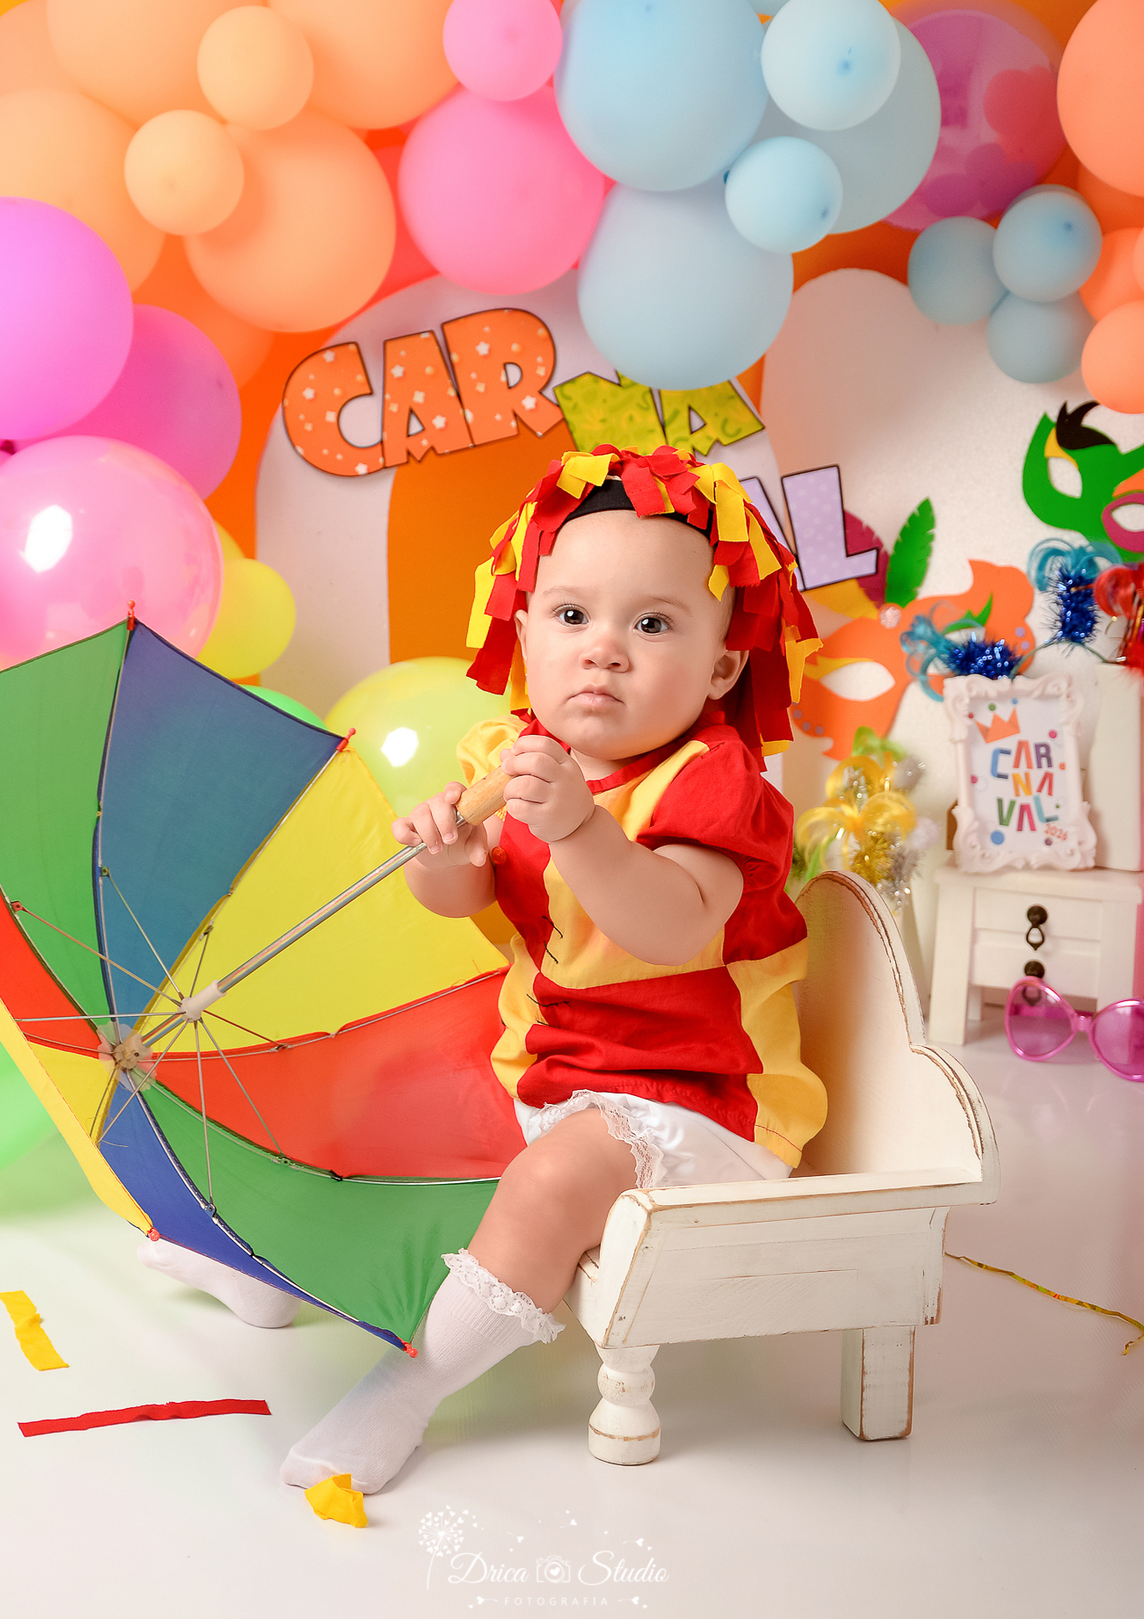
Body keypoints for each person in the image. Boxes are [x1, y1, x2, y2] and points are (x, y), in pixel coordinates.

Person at [274, 442, 827, 1495]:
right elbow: (470, 897)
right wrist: (444, 858)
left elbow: (673, 925)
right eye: (572, 616)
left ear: (721, 667)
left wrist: (579, 829)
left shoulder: (712, 781)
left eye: (652, 625)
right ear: (525, 630)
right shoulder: (512, 753)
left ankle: (410, 1388)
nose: (603, 651)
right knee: (385, 1095)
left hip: (697, 1099)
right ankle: (288, 1270)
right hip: (554, 1066)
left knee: (553, 1179)